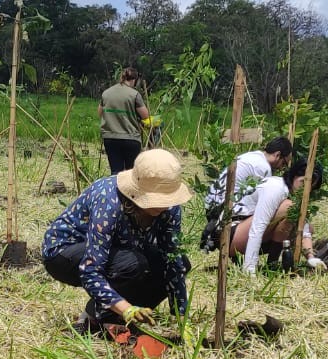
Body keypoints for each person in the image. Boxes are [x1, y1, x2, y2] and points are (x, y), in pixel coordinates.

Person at [42, 148, 192, 333]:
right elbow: (91, 270)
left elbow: (173, 260)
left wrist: (181, 317)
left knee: (176, 262)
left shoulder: (170, 209)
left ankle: (111, 316)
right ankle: (95, 318)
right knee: (132, 263)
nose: (162, 205)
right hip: (66, 252)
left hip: (121, 250)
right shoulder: (109, 199)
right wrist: (126, 309)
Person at [231, 158, 328, 274]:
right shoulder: (275, 188)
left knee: (304, 223)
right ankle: (252, 262)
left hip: (246, 235)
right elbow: (258, 227)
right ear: (294, 176)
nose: (305, 189)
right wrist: (250, 268)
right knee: (289, 207)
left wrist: (311, 258)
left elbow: (304, 230)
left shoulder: (294, 196)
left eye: (310, 187)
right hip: (233, 235)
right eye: (303, 182)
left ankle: (272, 264)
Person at [200, 137, 293, 250]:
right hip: (224, 211)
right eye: (284, 163)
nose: (282, 168)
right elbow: (264, 201)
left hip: (213, 206)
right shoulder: (263, 168)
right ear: (277, 155)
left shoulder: (253, 156)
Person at [98, 68, 153, 174]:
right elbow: (145, 116)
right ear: (134, 80)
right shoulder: (134, 95)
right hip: (130, 138)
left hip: (110, 138)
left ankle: (116, 190)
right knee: (130, 173)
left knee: (116, 172)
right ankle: (128, 190)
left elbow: (100, 113)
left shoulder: (106, 93)